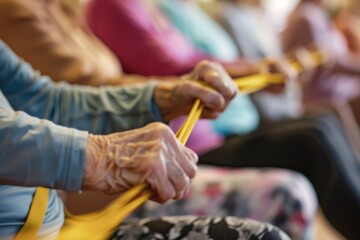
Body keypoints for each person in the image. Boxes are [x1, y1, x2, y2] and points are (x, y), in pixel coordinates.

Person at [0, 1, 317, 239]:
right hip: (73, 208)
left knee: (316, 134)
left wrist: (165, 97)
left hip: (59, 219)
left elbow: (47, 99)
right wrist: (106, 158)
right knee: (289, 188)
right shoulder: (22, 11)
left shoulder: (63, 10)